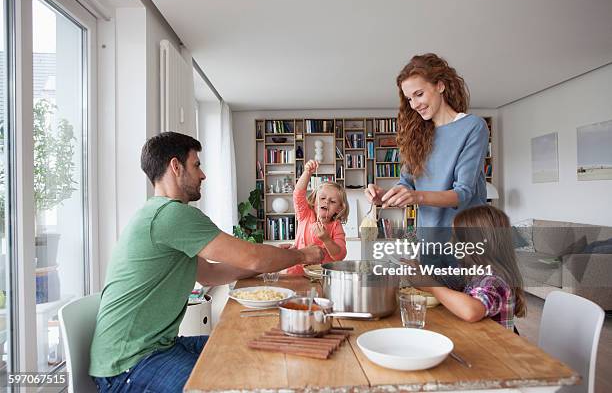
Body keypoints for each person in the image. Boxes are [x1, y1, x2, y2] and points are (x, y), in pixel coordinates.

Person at [89, 132, 323, 392]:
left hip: (158, 347)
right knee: (224, 382)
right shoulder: (172, 215)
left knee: (250, 348)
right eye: (196, 165)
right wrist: (302, 255)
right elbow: (253, 257)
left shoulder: (157, 214)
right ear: (175, 166)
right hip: (129, 365)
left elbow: (209, 274)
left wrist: (275, 260)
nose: (203, 175)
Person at [364, 53, 489, 272]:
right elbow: (407, 183)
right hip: (429, 240)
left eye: (419, 94)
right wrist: (385, 195)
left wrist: (417, 196)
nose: (414, 104)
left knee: (466, 304)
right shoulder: (418, 135)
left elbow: (463, 193)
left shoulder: (473, 127)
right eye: (409, 99)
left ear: (440, 85)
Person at [411, 205, 526, 330]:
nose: (450, 243)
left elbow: (471, 311)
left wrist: (432, 286)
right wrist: (420, 273)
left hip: (495, 347)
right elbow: (447, 282)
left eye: (456, 238)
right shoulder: (473, 271)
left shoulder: (495, 280)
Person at [286, 160, 349, 275]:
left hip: (322, 276)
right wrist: (307, 173)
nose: (326, 202)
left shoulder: (336, 226)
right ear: (314, 200)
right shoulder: (305, 215)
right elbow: (298, 194)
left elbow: (340, 255)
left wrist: (326, 239)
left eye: (333, 201)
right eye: (322, 198)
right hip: (297, 273)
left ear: (339, 208)